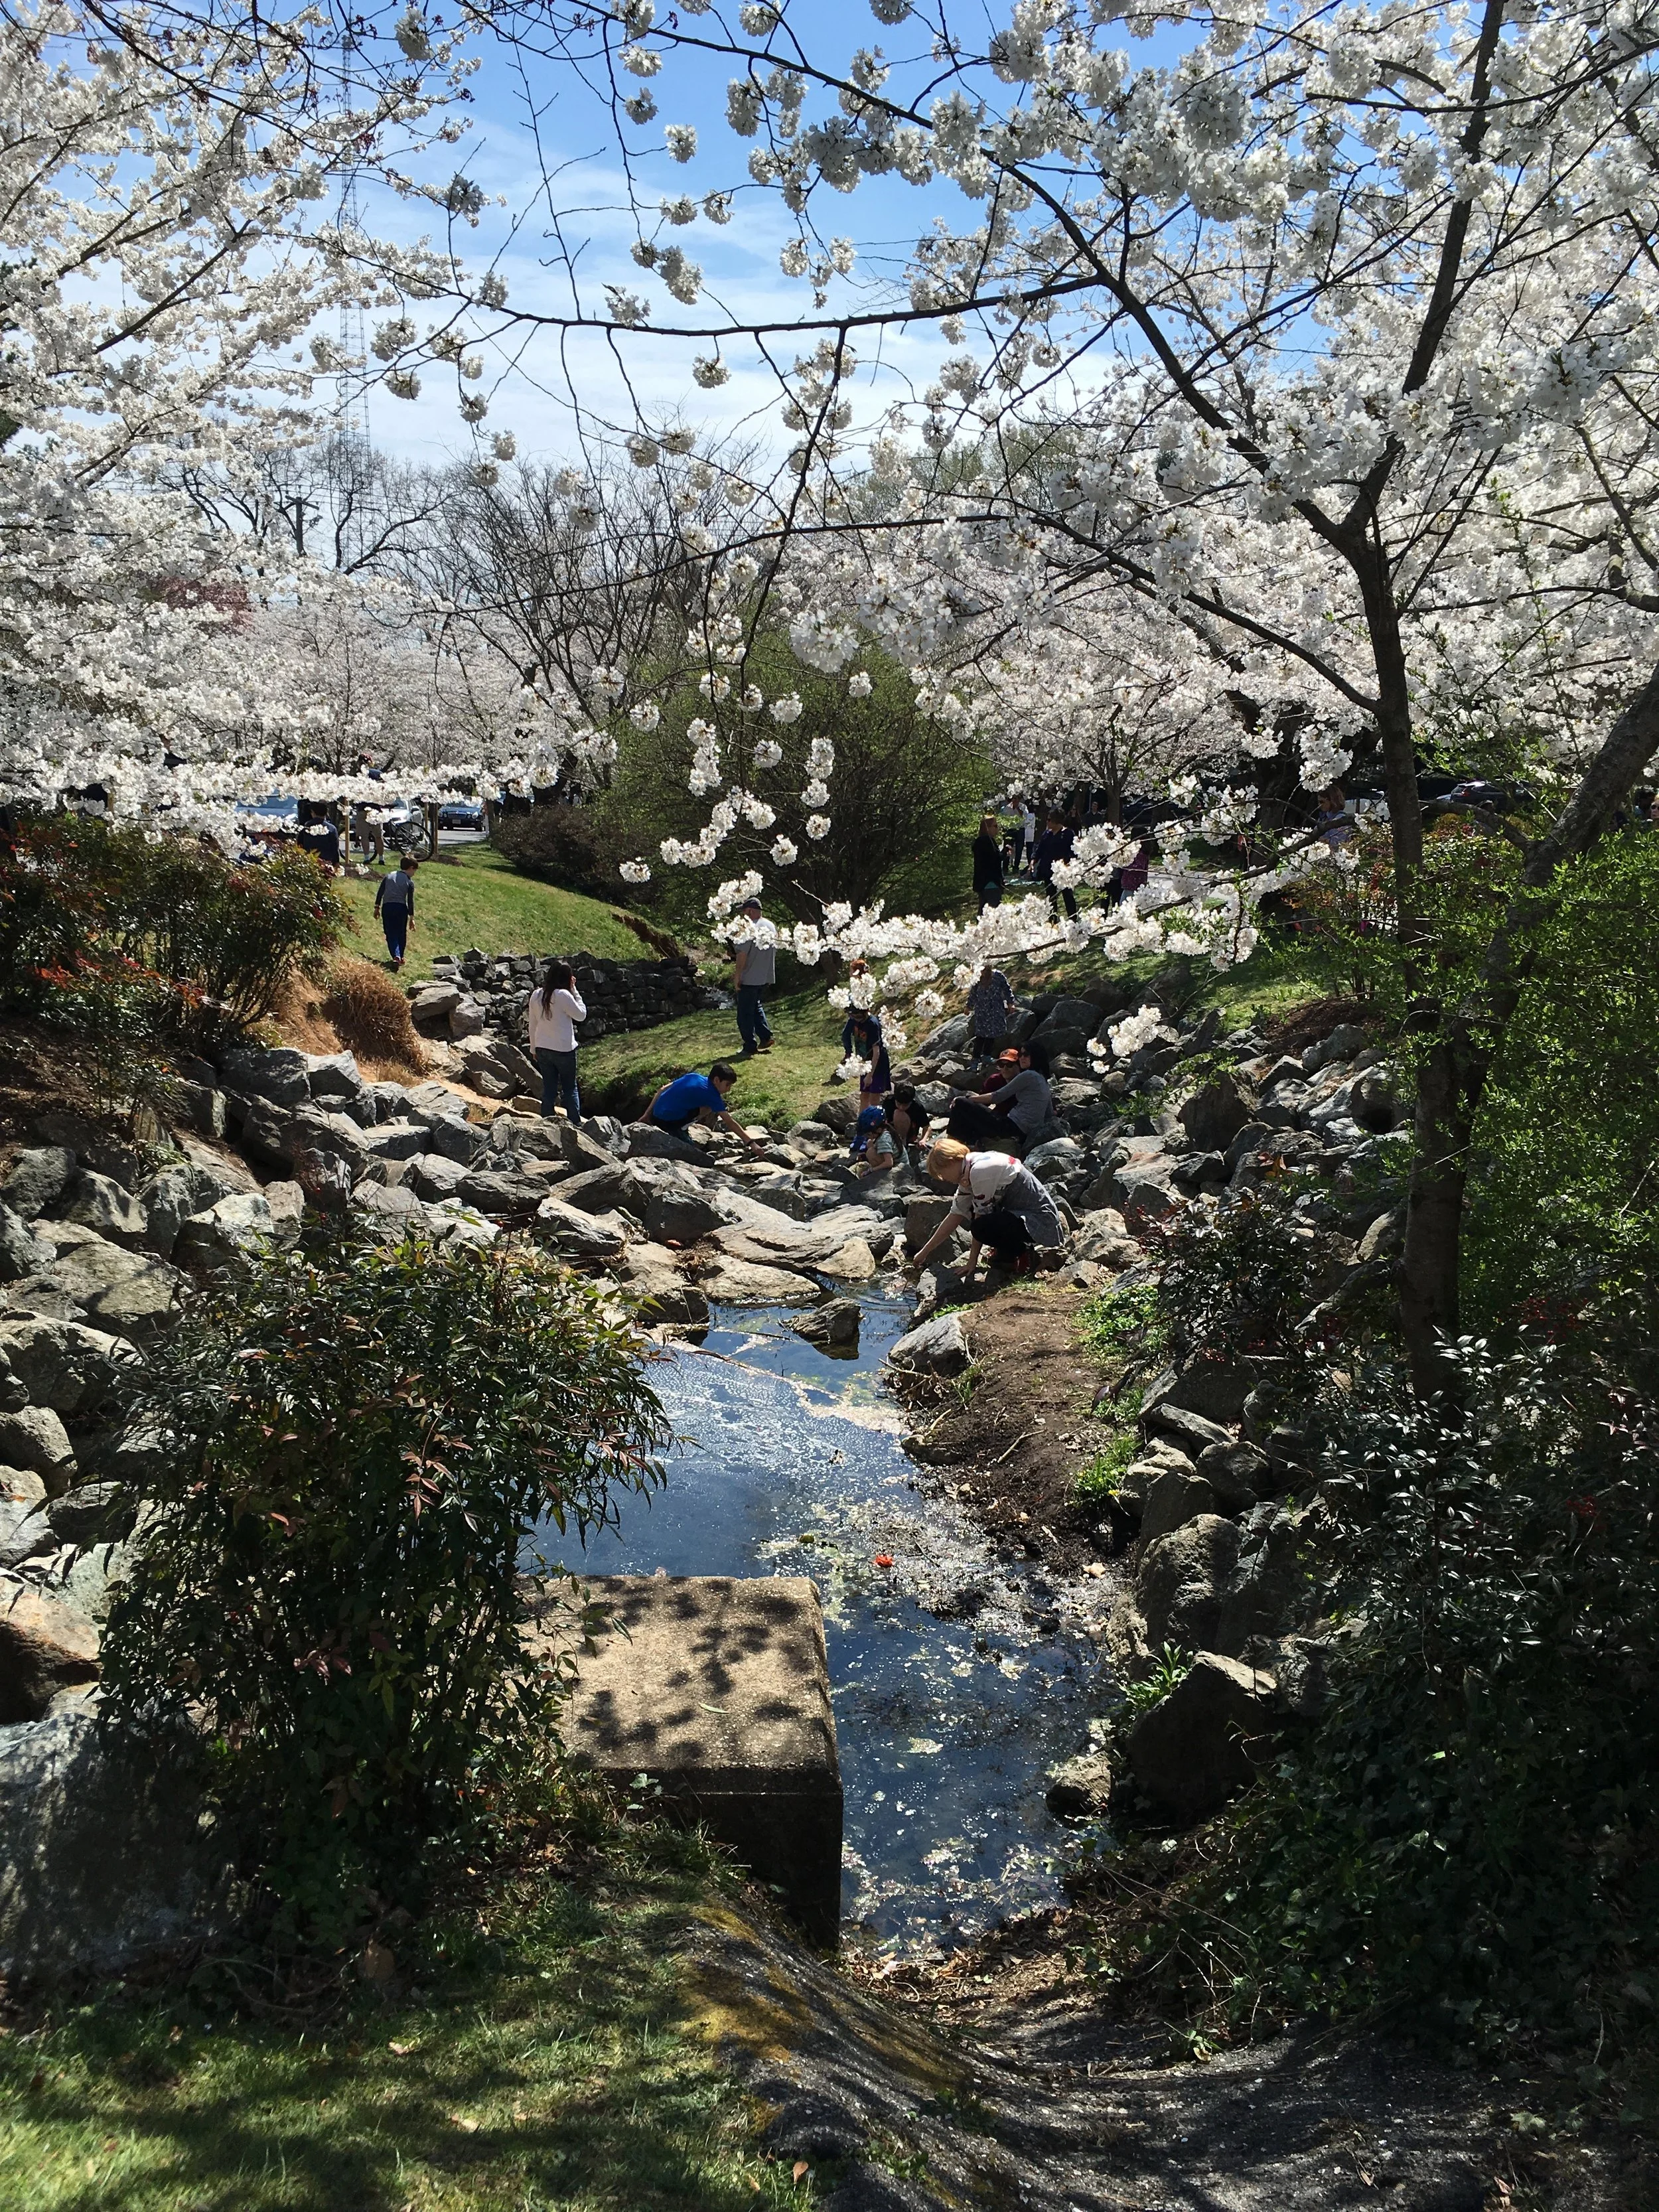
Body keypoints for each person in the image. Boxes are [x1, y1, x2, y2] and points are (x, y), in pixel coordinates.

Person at [906, 1138, 1066, 1281]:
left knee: (980, 1227)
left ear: (951, 1161)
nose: (944, 1179)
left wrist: (972, 1261)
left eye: (942, 1173)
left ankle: (1023, 1254)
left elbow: (981, 1217)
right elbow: (955, 1214)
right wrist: (924, 1253)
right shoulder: (969, 1168)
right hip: (1020, 1216)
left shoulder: (980, 1171)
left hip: (1039, 1221)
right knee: (982, 1222)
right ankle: (1008, 1254)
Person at [946, 1042, 1056, 1155]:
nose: (1022, 1058)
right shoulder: (1043, 1080)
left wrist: (968, 1098)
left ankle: (950, 1146)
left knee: (960, 1103)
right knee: (974, 1115)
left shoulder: (1029, 1075)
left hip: (1010, 1128)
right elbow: (1049, 1113)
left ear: (1036, 1056)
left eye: (1026, 1055)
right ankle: (966, 1144)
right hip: (1022, 1132)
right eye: (1021, 1055)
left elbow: (997, 1097)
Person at [642, 1062, 763, 1155]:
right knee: (709, 1108)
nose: (729, 1089)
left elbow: (662, 1090)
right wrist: (751, 1143)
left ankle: (681, 1125)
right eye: (727, 1085)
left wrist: (647, 1115)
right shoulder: (712, 1095)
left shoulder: (693, 1076)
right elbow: (729, 1122)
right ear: (717, 1080)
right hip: (668, 1123)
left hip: (655, 1116)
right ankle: (681, 1131)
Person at [528, 957, 587, 1121]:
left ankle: (546, 1122)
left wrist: (533, 1048)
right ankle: (576, 1124)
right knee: (570, 1089)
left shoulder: (536, 995)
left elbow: (532, 1024)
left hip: (542, 1048)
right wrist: (575, 991)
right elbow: (581, 1015)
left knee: (549, 1089)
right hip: (564, 1050)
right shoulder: (564, 995)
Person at [732, 895, 775, 1056]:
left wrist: (737, 976)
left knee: (744, 1014)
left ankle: (749, 1045)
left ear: (750, 911)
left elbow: (742, 955)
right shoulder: (771, 926)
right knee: (756, 1006)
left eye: (744, 912)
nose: (743, 915)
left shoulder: (749, 928)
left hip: (749, 976)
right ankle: (765, 1037)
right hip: (764, 976)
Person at [966, 963, 1019, 1061]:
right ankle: (975, 1059)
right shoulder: (977, 978)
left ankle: (987, 1056)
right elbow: (973, 993)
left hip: (995, 1010)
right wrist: (969, 1006)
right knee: (980, 1036)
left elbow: (1007, 990)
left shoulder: (998, 976)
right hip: (982, 1011)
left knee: (992, 1033)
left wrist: (1010, 1003)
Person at [373, 853, 418, 969]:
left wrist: (377, 907)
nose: (414, 874)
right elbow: (410, 901)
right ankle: (400, 956)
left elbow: (381, 892)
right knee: (401, 933)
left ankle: (396, 956)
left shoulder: (389, 876)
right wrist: (412, 918)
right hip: (401, 909)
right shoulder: (409, 882)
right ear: (411, 868)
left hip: (387, 907)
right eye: (414, 871)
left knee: (390, 933)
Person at [1031, 809, 1078, 919]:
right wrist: (1033, 861)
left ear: (1056, 821)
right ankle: (1052, 920)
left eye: (1049, 820)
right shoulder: (1047, 834)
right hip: (1048, 870)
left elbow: (1074, 852)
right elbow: (1039, 850)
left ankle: (1073, 919)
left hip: (1064, 871)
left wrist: (1069, 864)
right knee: (1051, 897)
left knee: (1068, 895)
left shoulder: (1068, 834)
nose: (1047, 822)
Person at [841, 1004, 891, 1107]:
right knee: (864, 1095)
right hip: (864, 1063)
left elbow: (876, 1052)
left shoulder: (873, 1024)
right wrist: (849, 1053)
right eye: (853, 1016)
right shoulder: (853, 1020)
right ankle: (862, 1117)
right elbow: (845, 1035)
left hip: (877, 1064)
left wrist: (870, 1076)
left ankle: (874, 1117)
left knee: (874, 1097)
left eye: (857, 1016)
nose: (855, 1019)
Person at [849, 1103, 901, 1177]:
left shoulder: (883, 1140)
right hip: (894, 1160)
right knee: (870, 1143)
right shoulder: (886, 1131)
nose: (866, 1137)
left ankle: (881, 1175)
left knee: (871, 1153)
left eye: (868, 1134)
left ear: (879, 1130)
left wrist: (872, 1170)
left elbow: (889, 1163)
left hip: (898, 1168)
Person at [883, 1082, 931, 1155]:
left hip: (909, 1136)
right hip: (891, 1133)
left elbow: (927, 1127)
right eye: (899, 1104)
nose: (901, 1107)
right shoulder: (889, 1102)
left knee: (899, 1113)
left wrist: (923, 1140)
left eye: (905, 1105)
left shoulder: (917, 1107)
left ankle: (902, 1145)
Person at [972, 812, 1005, 912]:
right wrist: (1005, 851)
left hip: (983, 884)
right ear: (987, 828)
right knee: (993, 913)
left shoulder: (981, 841)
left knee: (983, 912)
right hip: (990, 883)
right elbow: (995, 859)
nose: (997, 829)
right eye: (995, 826)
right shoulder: (987, 841)